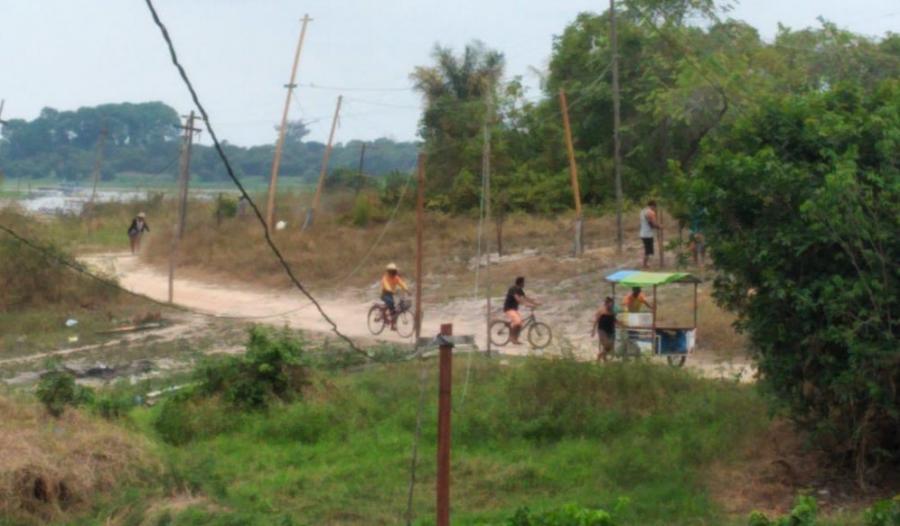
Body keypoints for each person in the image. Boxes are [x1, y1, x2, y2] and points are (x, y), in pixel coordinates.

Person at [503, 276, 540, 345]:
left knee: (520, 324)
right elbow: (517, 299)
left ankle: (515, 339)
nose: (524, 284)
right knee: (518, 322)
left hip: (514, 310)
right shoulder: (513, 289)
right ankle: (511, 337)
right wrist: (526, 304)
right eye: (523, 283)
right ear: (520, 283)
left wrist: (535, 303)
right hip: (508, 309)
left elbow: (525, 298)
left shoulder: (520, 290)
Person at [380, 263, 408, 330]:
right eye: (391, 271)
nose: (393, 273)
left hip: (392, 294)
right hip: (385, 294)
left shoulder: (396, 278)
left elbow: (402, 283)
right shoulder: (385, 278)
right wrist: (391, 290)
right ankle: (390, 322)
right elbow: (387, 286)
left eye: (394, 271)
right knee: (391, 306)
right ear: (388, 271)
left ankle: (393, 325)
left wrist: (407, 290)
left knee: (396, 309)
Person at [591, 296, 617, 362]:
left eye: (612, 304)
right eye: (609, 304)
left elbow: (614, 320)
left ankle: (603, 358)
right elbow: (596, 321)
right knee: (606, 344)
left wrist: (622, 324)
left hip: (610, 330)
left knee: (610, 347)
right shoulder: (601, 311)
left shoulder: (613, 312)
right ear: (606, 303)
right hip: (602, 330)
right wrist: (593, 330)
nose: (611, 305)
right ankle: (600, 356)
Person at [639, 200, 661, 268]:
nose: (655, 209)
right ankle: (645, 264)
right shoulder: (650, 212)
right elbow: (652, 224)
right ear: (652, 206)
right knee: (648, 250)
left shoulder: (642, 211)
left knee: (648, 250)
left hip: (643, 233)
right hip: (647, 234)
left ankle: (645, 263)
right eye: (655, 207)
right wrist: (659, 226)